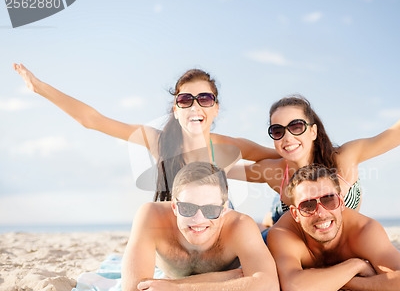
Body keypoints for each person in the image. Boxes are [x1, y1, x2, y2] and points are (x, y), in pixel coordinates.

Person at [241, 40, 400, 223]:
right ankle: (271, 217)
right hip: (290, 220)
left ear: (313, 131)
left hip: (331, 230)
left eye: (297, 126)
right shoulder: (276, 171)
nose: (288, 136)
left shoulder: (344, 158)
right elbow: (231, 169)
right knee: (275, 221)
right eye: (278, 130)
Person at [13, 65, 279, 201]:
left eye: (205, 99)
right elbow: (92, 120)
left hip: (215, 223)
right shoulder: (159, 140)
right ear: (176, 109)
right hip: (174, 223)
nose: (195, 106)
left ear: (216, 108)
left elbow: (284, 158)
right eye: (186, 99)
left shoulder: (229, 146)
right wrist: (39, 87)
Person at [121, 161, 280, 291]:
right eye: (188, 208)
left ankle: (267, 220)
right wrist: (226, 278)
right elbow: (133, 290)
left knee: (270, 233)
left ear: (224, 209)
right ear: (175, 207)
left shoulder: (240, 225)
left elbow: (268, 286)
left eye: (210, 209)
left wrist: (178, 290)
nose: (198, 219)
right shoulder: (151, 216)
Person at [266, 164, 400, 291]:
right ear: (295, 214)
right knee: (264, 232)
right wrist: (355, 265)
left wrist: (341, 281)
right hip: (271, 229)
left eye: (329, 200)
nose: (321, 213)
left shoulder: (365, 230)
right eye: (308, 205)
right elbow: (295, 288)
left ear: (341, 202)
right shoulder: (282, 234)